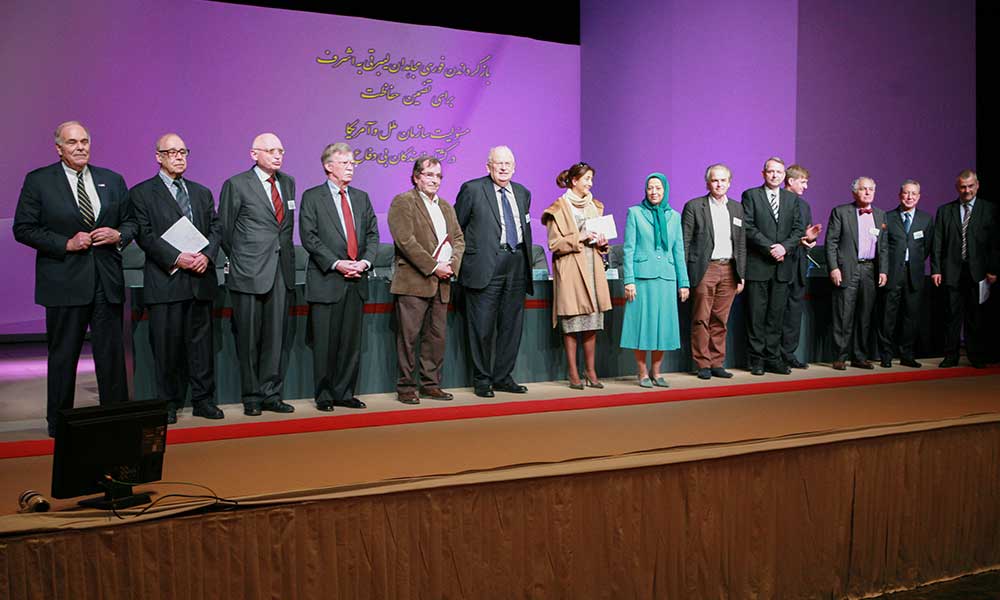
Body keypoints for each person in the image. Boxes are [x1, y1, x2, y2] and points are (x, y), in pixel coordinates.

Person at [13, 121, 135, 437]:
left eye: (84, 141)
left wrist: (118, 234)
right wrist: (66, 243)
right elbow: (23, 228)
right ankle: (60, 423)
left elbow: (132, 222)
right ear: (59, 148)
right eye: (72, 142)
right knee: (64, 356)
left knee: (111, 356)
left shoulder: (112, 179)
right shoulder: (39, 181)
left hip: (105, 282)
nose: (80, 147)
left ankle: (115, 418)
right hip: (64, 282)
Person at [130, 133, 224, 423]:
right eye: (172, 152)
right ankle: (168, 402)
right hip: (166, 279)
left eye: (183, 151)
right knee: (166, 346)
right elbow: (144, 235)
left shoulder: (201, 192)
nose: (179, 157)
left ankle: (203, 400)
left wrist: (206, 255)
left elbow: (216, 228)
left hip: (200, 278)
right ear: (158, 156)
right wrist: (176, 257)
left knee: (201, 347)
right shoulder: (141, 193)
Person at [218, 133, 296, 416]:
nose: (278, 156)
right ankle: (251, 396)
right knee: (249, 338)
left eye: (281, 150)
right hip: (249, 271)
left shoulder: (288, 183)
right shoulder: (236, 184)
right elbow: (225, 231)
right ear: (254, 154)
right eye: (271, 150)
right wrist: (244, 259)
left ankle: (270, 393)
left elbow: (285, 228)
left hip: (280, 271)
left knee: (275, 339)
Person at [300, 142, 379, 410]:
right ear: (328, 166)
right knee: (325, 343)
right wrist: (336, 263)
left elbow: (372, 235)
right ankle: (324, 395)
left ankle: (345, 392)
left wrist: (365, 262)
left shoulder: (362, 197)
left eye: (352, 163)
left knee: (350, 343)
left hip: (357, 281)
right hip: (327, 280)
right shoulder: (312, 197)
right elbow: (309, 237)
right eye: (345, 163)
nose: (351, 167)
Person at [455, 146, 534, 398]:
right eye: (498, 163)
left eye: (507, 163)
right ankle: (482, 379)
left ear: (514, 166)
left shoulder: (523, 193)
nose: (503, 168)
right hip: (484, 265)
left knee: (511, 326)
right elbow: (458, 228)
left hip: (517, 262)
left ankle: (503, 377)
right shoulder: (472, 189)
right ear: (487, 166)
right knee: (482, 327)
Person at [387, 157, 465, 404]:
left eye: (438, 176)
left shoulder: (446, 206)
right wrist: (433, 267)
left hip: (443, 283)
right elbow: (405, 241)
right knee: (409, 339)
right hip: (413, 282)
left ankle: (431, 384)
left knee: (436, 338)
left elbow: (459, 239)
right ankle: (406, 387)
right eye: (429, 175)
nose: (434, 180)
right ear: (416, 177)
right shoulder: (403, 202)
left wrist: (451, 266)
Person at [542, 162, 612, 389]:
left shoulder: (596, 206)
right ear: (574, 181)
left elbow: (602, 242)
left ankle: (590, 370)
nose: (590, 183)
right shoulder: (558, 209)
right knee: (572, 322)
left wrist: (602, 244)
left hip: (592, 268)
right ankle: (573, 372)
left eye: (592, 179)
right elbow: (554, 244)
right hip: (571, 268)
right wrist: (579, 237)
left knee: (592, 322)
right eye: (586, 179)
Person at [620, 173, 689, 387]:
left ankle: (656, 372)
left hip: (666, 278)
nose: (654, 192)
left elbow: (679, 251)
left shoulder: (674, 217)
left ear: (665, 190)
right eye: (650, 188)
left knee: (663, 327)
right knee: (642, 325)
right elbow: (628, 249)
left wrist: (683, 282)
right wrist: (628, 280)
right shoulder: (635, 213)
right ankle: (641, 372)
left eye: (658, 188)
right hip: (642, 278)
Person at [681, 164, 746, 380]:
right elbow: (685, 242)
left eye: (723, 180)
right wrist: (684, 276)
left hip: (729, 269)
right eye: (715, 180)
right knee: (701, 318)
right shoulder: (694, 206)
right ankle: (703, 364)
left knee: (720, 319)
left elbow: (741, 244)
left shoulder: (737, 209)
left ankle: (717, 362)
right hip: (704, 268)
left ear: (729, 183)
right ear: (708, 183)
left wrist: (741, 275)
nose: (719, 184)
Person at [741, 157, 804, 375]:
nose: (775, 175)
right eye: (770, 171)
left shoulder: (791, 199)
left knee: (776, 316)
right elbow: (747, 227)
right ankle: (756, 360)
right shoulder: (751, 195)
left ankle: (772, 357)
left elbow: (798, 230)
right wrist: (770, 247)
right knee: (756, 315)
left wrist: (784, 248)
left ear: (784, 175)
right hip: (758, 264)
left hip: (782, 266)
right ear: (763, 173)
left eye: (779, 172)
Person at [931, 170, 998, 368]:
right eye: (962, 186)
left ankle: (975, 356)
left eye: (970, 186)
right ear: (957, 188)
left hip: (979, 273)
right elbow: (937, 243)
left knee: (975, 316)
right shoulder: (945, 211)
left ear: (977, 185)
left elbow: (995, 244)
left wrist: (993, 270)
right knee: (952, 315)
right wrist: (936, 269)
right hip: (952, 271)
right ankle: (950, 356)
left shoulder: (990, 209)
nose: (966, 190)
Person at [825, 177, 888, 370]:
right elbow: (831, 243)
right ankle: (840, 357)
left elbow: (883, 247)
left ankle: (860, 356)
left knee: (865, 315)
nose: (868, 192)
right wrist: (834, 267)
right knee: (843, 314)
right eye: (863, 189)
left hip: (870, 269)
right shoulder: (841, 212)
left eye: (871, 189)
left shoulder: (880, 214)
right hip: (846, 270)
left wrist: (884, 270)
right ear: (854, 192)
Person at [876, 180, 933, 368]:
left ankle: (907, 354)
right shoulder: (887, 217)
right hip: (892, 273)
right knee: (888, 315)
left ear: (919, 197)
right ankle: (885, 355)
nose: (909, 197)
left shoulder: (926, 219)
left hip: (914, 274)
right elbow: (882, 246)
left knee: (911, 316)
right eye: (906, 193)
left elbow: (927, 248)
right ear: (900, 195)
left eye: (913, 194)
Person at [780, 165, 823, 369]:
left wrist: (810, 239)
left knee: (794, 313)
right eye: (803, 182)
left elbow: (804, 234)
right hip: (779, 265)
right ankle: (771, 356)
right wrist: (798, 240)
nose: (806, 186)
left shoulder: (805, 206)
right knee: (776, 313)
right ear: (790, 181)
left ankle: (789, 354)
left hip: (799, 265)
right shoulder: (776, 200)